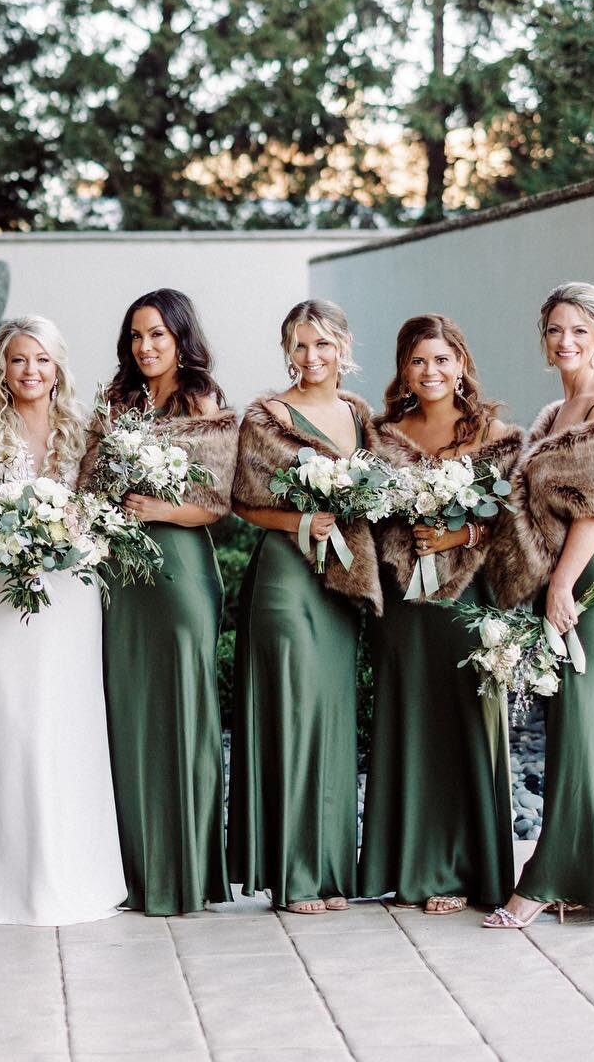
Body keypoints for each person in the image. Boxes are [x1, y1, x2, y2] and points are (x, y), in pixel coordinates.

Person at [484, 283, 594, 925]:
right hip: (565, 572)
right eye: (556, 329)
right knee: (580, 725)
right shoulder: (557, 412)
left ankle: (545, 879)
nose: (565, 341)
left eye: (580, 331)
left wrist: (561, 585)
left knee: (587, 721)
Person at [0, 315, 126, 924]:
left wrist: (66, 535)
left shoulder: (85, 431)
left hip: (70, 594)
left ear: (58, 367)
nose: (30, 371)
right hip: (2, 595)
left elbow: (104, 511)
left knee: (66, 724)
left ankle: (75, 871)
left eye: (41, 360)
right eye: (18, 359)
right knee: (10, 724)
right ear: (3, 367)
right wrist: (5, 543)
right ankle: (3, 874)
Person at [358, 313, 521, 915]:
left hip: (465, 603)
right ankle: (416, 869)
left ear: (462, 365)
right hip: (405, 608)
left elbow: (513, 517)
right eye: (418, 361)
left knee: (467, 725)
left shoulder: (495, 434)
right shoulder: (383, 436)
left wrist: (457, 538)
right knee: (411, 725)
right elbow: (368, 512)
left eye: (442, 360)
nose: (431, 372)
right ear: (404, 369)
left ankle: (465, 870)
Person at [83, 288, 236, 915]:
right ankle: (133, 871)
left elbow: (219, 499)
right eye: (137, 337)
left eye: (157, 336)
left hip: (179, 573)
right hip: (122, 573)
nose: (146, 348)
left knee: (181, 710)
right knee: (127, 710)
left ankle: (186, 872)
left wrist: (160, 509)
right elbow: (89, 479)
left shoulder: (203, 401)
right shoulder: (115, 404)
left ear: (180, 338)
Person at [228, 299, 382, 914]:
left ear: (344, 347)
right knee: (291, 711)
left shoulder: (363, 418)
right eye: (298, 345)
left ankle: (330, 870)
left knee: (333, 714)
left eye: (322, 344)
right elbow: (243, 501)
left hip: (342, 580)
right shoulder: (268, 418)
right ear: (286, 352)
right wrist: (302, 519)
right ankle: (292, 874)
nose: (311, 356)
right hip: (288, 577)